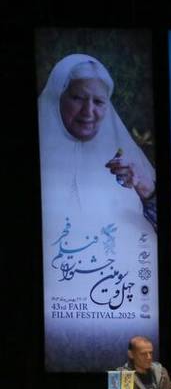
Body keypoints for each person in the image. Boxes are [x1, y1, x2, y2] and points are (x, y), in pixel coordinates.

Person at [38, 54, 158, 370]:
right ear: (57, 98)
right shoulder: (38, 156)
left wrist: (147, 191)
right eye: (78, 98)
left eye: (99, 102)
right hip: (56, 319)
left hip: (126, 312)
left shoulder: (127, 160)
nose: (89, 112)